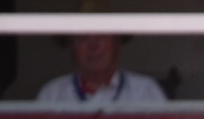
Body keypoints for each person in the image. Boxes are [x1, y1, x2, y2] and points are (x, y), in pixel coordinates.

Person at [36, 30, 167, 103]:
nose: (93, 46)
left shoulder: (146, 91)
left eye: (102, 36)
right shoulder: (52, 94)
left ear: (117, 45)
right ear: (71, 48)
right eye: (83, 38)